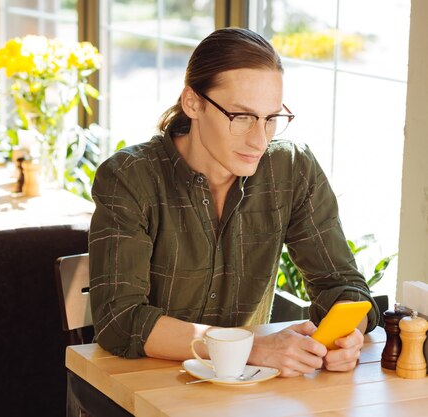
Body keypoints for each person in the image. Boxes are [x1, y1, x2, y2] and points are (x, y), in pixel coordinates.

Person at [88, 27, 379, 377]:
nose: (259, 139)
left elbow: (341, 285)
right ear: (193, 102)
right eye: (241, 117)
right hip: (141, 389)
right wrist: (252, 348)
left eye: (271, 118)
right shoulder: (129, 177)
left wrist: (348, 333)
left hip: (249, 392)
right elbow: (119, 320)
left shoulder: (291, 169)